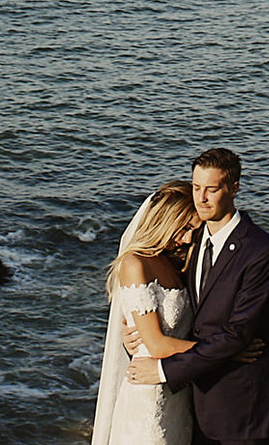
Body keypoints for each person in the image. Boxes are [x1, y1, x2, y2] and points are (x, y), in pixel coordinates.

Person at [127, 149, 269, 445]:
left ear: (234, 188)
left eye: (211, 190)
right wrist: (138, 335)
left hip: (242, 408)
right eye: (197, 188)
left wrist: (162, 370)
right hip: (192, 404)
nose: (200, 199)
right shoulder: (189, 239)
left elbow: (237, 335)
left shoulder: (261, 252)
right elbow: (167, 303)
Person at [89, 180, 202, 445]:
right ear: (164, 220)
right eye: (184, 228)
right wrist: (226, 353)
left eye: (193, 230)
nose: (187, 239)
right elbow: (157, 344)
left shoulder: (176, 263)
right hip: (148, 398)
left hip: (176, 392)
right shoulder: (134, 264)